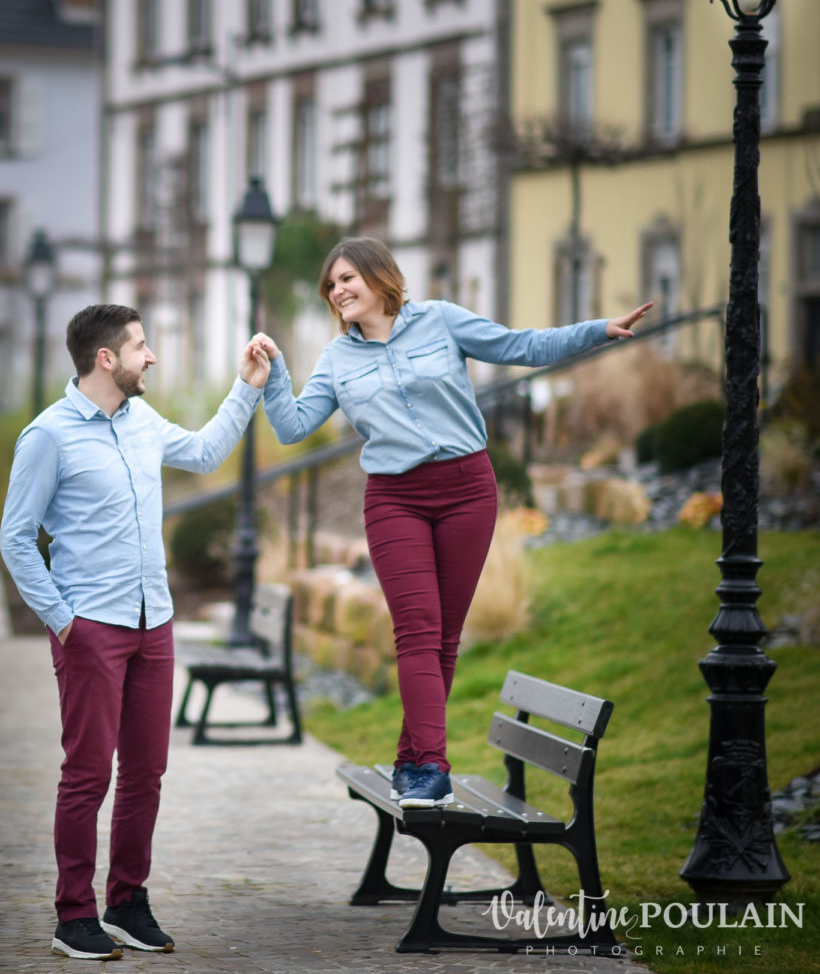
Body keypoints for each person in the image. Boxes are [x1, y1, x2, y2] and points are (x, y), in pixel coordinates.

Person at [259, 237, 652, 810]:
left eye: (347, 279)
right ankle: (434, 771)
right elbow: (293, 427)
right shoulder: (337, 360)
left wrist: (597, 329)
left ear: (378, 277)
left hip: (468, 490)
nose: (338, 290)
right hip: (395, 499)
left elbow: (523, 346)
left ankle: (410, 760)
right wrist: (273, 375)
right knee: (416, 630)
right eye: (331, 285)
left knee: (443, 637)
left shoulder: (440, 321)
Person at [0, 304, 272, 961]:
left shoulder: (142, 420)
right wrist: (64, 622)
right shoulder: (48, 435)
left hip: (156, 622)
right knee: (87, 774)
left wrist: (247, 386)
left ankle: (126, 902)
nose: (150, 356)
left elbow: (206, 451)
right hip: (93, 627)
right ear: (106, 359)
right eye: (140, 346)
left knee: (146, 772)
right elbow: (14, 538)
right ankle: (74, 916)